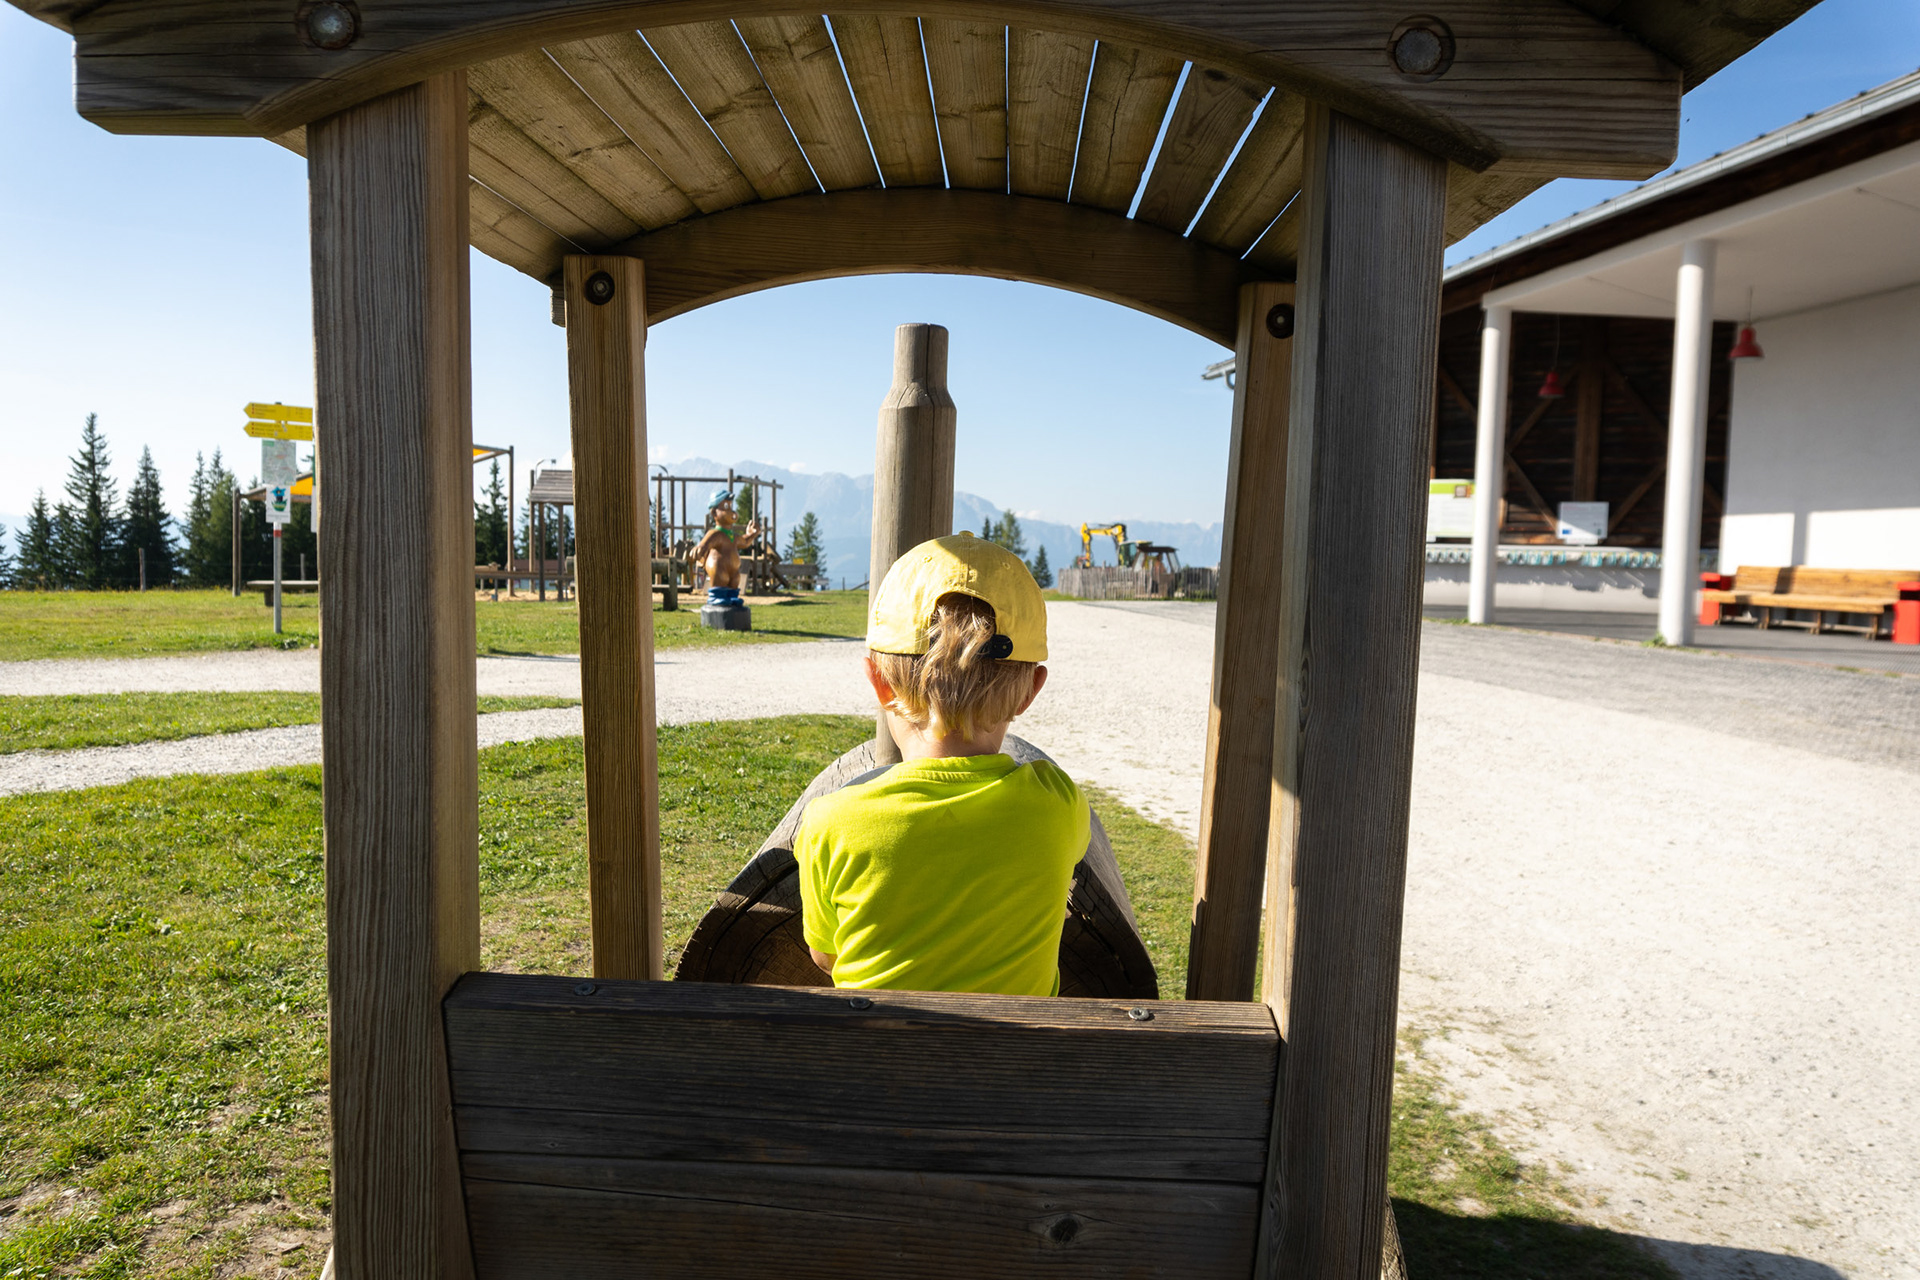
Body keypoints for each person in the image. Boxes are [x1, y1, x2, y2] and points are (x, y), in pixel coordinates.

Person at [796, 532, 1089, 995]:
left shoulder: (830, 823)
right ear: (1032, 691)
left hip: (871, 1043)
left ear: (879, 683)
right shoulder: (1059, 803)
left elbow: (826, 955)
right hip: (1019, 1044)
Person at [691, 489, 759, 593]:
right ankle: (718, 600)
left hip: (734, 572)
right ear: (714, 513)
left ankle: (732, 600)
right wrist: (699, 549)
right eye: (726, 507)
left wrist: (752, 534)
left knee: (734, 585)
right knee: (720, 585)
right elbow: (705, 544)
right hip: (719, 569)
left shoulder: (733, 536)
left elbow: (744, 542)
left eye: (731, 506)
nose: (731, 511)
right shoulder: (716, 534)